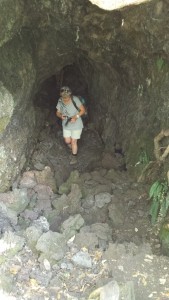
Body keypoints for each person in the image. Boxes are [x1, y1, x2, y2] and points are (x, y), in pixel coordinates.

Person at [56, 86, 86, 165]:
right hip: (66, 124)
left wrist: (76, 117)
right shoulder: (60, 100)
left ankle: (74, 156)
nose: (65, 99)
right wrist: (60, 116)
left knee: (73, 141)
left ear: (70, 95)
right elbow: (58, 112)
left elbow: (83, 110)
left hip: (76, 124)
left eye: (67, 98)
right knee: (67, 141)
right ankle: (72, 146)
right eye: (64, 98)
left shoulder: (75, 99)